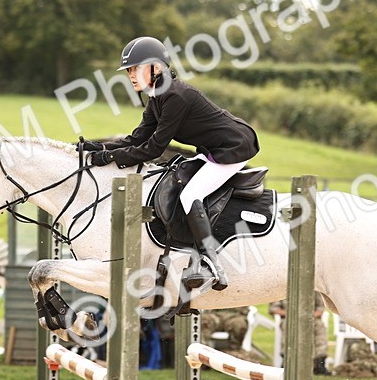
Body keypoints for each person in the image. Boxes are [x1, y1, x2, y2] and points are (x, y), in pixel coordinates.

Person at [79, 36, 260, 292]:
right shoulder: (157, 96)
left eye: (136, 68)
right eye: (129, 70)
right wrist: (99, 147)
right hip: (213, 149)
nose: (130, 75)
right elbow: (137, 138)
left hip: (233, 148)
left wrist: (109, 159)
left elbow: (154, 148)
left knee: (191, 194)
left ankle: (211, 264)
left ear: (156, 67)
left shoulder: (176, 96)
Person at [269, 294, 331, 376]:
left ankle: (319, 364)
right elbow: (274, 309)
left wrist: (306, 317)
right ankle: (287, 363)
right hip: (290, 318)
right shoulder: (281, 288)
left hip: (310, 318)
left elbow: (320, 310)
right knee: (289, 328)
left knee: (320, 329)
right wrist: (294, 315)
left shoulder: (315, 289)